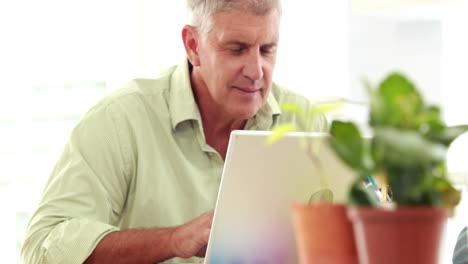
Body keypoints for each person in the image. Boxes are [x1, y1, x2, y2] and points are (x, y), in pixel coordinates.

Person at [21, 0, 327, 263]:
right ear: (193, 46)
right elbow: (43, 247)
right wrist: (175, 240)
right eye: (236, 49)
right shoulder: (120, 121)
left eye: (267, 50)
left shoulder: (306, 123)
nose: (256, 71)